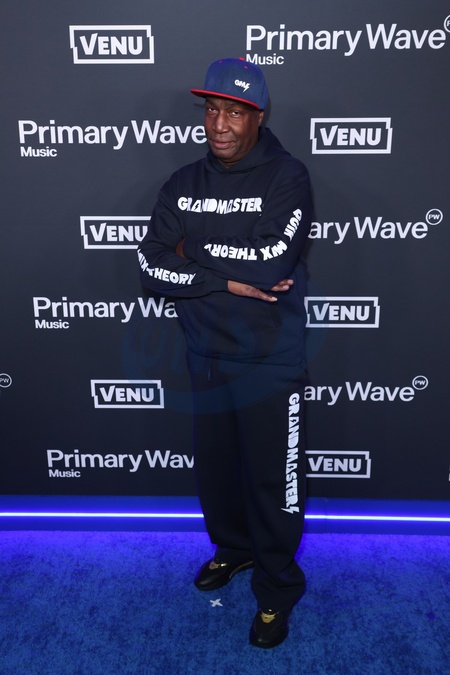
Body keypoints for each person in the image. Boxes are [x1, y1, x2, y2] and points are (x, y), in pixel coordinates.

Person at [137, 57, 313, 649]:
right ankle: (234, 550)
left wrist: (192, 251)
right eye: (212, 110)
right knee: (218, 477)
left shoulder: (287, 176)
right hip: (206, 356)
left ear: (258, 116)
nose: (219, 124)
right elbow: (150, 265)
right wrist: (226, 280)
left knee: (272, 484)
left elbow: (272, 262)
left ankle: (278, 587)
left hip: (270, 362)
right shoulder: (183, 182)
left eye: (235, 113)